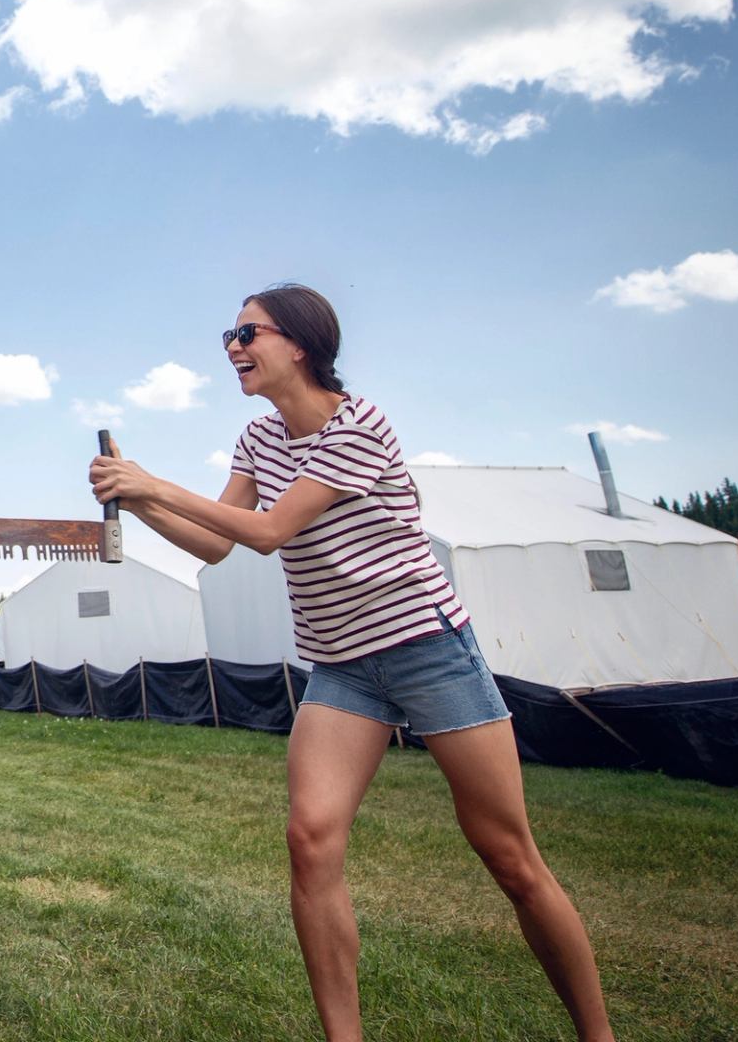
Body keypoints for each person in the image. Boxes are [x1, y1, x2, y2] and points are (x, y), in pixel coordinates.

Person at [88, 283, 614, 1042]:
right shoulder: (257, 439)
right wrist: (137, 502)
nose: (233, 348)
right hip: (340, 665)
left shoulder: (360, 425)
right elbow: (218, 542)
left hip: (428, 647)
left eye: (247, 334)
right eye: (228, 337)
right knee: (310, 839)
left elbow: (271, 530)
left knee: (508, 855)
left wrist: (154, 484)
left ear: (299, 344)